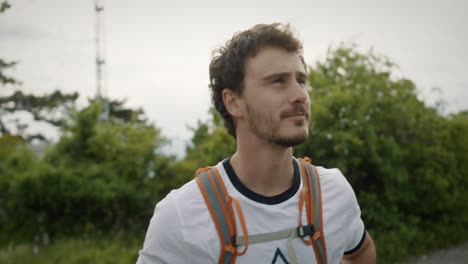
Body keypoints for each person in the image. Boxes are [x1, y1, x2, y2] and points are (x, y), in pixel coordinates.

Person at [137, 23, 376, 264]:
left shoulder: (333, 191)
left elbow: (360, 252)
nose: (300, 95)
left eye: (301, 80)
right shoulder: (181, 215)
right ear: (233, 102)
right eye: (278, 81)